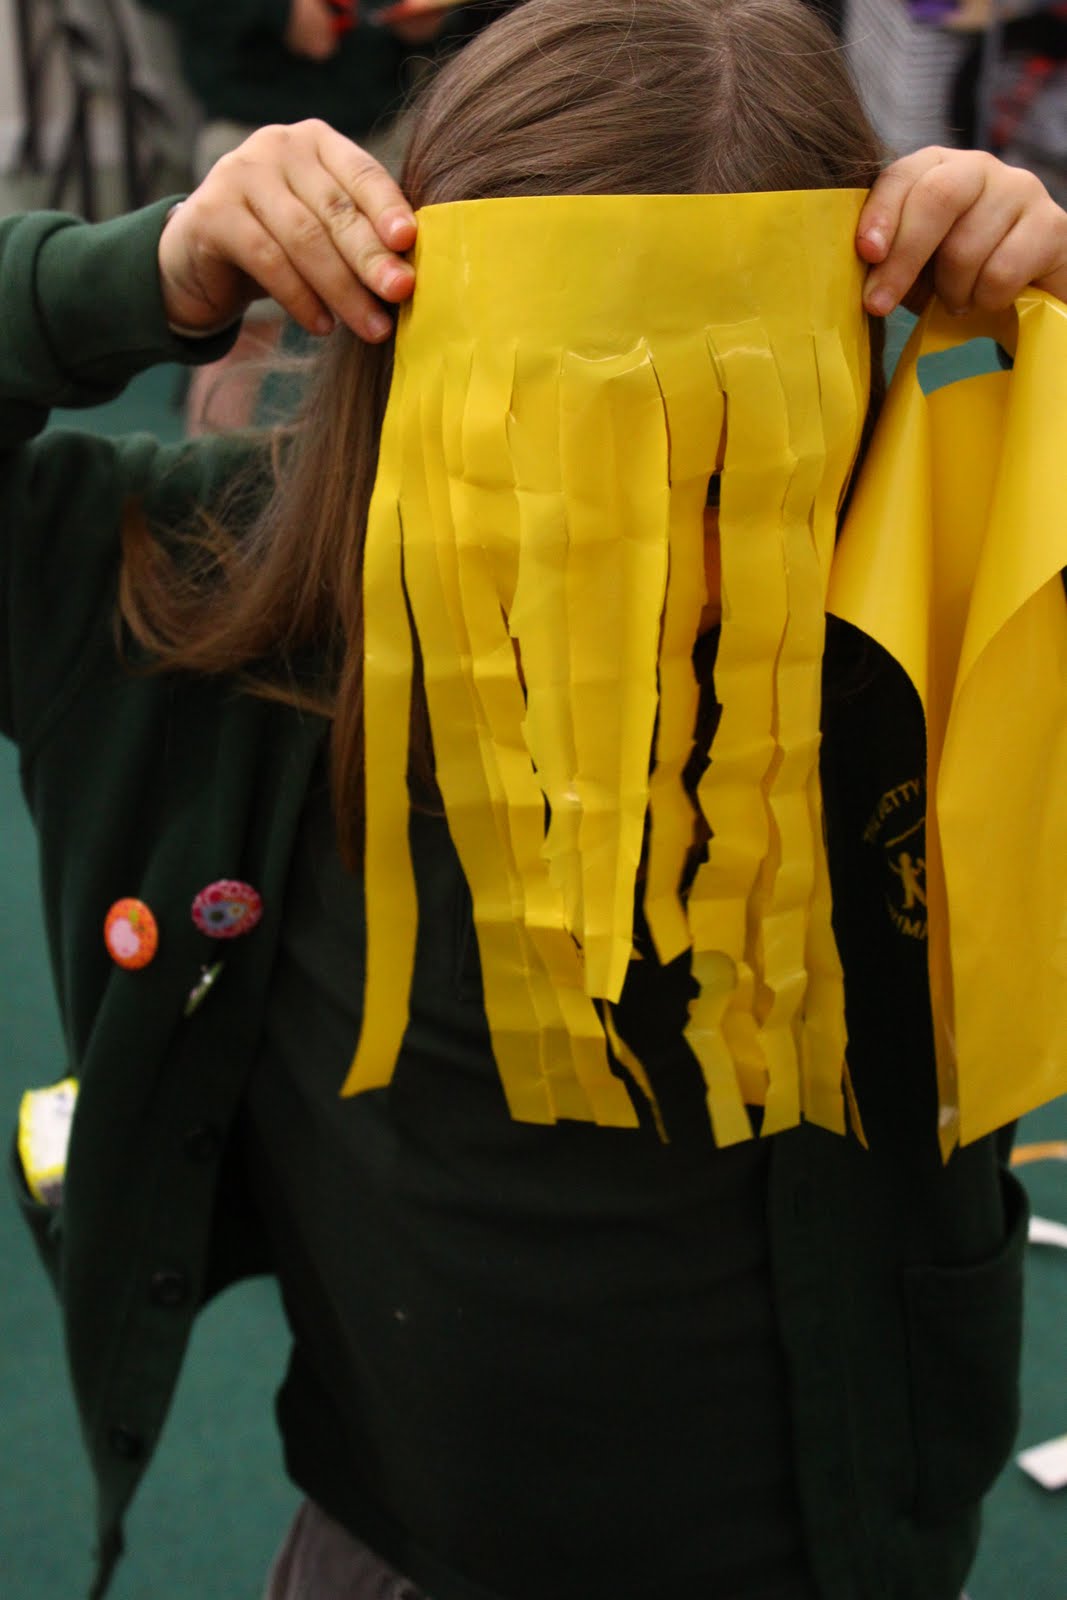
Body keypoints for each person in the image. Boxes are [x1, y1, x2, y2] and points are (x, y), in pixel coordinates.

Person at [5, 3, 1067, 1599]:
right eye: (556, 456)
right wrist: (136, 277)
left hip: (828, 1553)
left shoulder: (941, 624)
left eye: (733, 459)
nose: (647, 552)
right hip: (391, 1539)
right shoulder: (212, 607)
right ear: (398, 363)